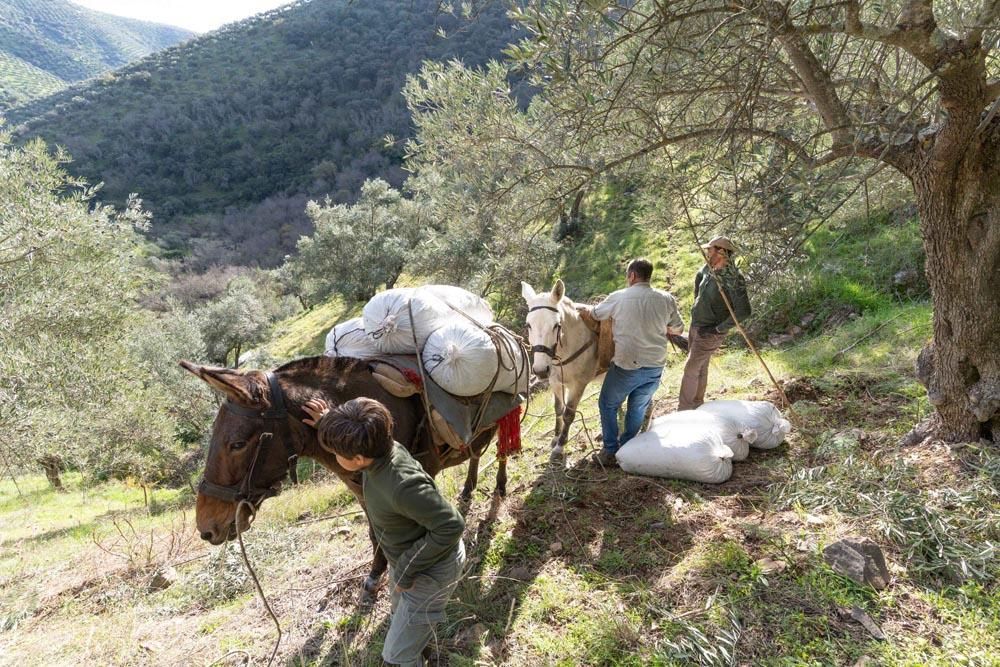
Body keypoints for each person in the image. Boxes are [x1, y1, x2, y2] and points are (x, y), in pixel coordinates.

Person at [302, 397, 465, 667]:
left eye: (337, 453)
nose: (334, 457)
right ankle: (428, 655)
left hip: (432, 568)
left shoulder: (402, 485)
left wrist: (406, 570)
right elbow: (364, 432)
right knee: (406, 624)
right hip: (409, 563)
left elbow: (451, 525)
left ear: (358, 458)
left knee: (395, 657)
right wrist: (330, 422)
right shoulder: (380, 444)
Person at [590, 258, 684, 466]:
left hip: (627, 366)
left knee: (607, 403)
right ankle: (629, 448)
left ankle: (610, 450)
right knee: (637, 407)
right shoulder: (666, 298)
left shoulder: (619, 297)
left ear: (632, 276)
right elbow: (678, 328)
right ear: (649, 275)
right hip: (655, 365)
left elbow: (595, 314)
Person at [678, 235, 752, 411]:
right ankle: (696, 404)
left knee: (690, 368)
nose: (707, 252)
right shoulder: (707, 268)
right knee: (700, 367)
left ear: (721, 251)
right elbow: (699, 280)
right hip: (696, 326)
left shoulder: (733, 277)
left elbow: (744, 311)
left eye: (710, 249)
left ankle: (683, 411)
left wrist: (717, 329)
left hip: (711, 332)